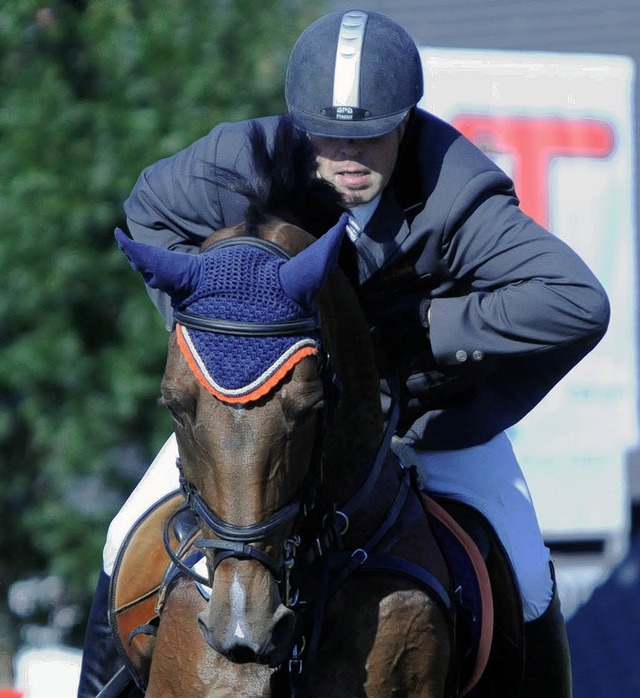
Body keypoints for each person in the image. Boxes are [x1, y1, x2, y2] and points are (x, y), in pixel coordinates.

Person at [78, 9, 609, 697]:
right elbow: (146, 211)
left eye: (371, 135)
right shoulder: (239, 162)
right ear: (298, 121)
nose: (348, 157)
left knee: (529, 573)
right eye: (329, 135)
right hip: (266, 416)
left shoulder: (454, 193)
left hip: (420, 422)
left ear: (406, 121)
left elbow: (577, 301)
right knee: (123, 536)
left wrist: (416, 326)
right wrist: (230, 330)